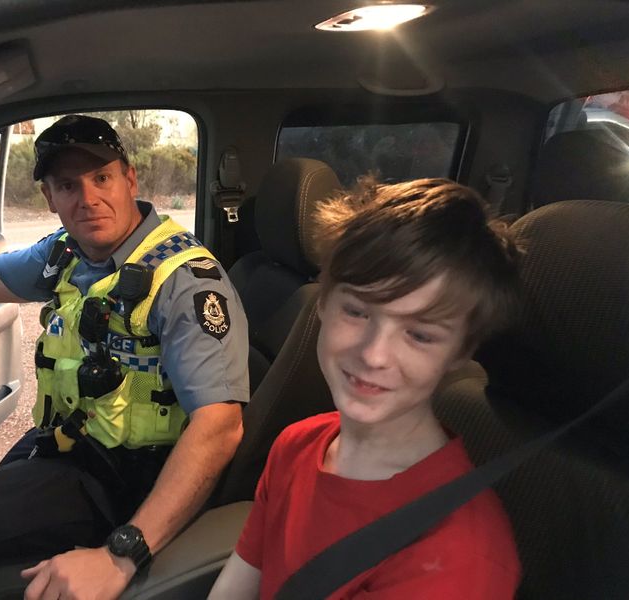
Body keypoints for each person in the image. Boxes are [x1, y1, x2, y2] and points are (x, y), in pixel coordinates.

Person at [0, 115, 248, 600]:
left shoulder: (185, 281)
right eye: (67, 185)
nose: (88, 198)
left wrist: (123, 554)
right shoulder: (68, 253)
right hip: (66, 449)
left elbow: (220, 426)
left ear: (129, 179)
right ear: (49, 198)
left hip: (121, 484)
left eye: (102, 178)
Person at [209, 177, 522, 599]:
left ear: (461, 351)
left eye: (421, 335)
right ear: (321, 302)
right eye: (357, 311)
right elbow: (237, 586)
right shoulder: (296, 445)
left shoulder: (459, 553)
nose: (374, 354)